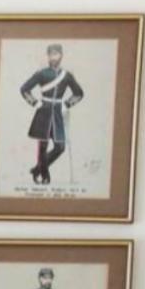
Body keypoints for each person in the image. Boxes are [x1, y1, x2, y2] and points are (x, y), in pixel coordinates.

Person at [20, 43, 84, 184]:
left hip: (58, 114)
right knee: (42, 147)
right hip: (43, 112)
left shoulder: (67, 76)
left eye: (56, 54)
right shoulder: (41, 73)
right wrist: (35, 103)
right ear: (48, 56)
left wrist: (67, 104)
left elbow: (79, 93)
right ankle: (44, 176)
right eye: (51, 54)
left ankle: (37, 169)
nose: (54, 57)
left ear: (61, 56)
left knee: (60, 147)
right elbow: (24, 89)